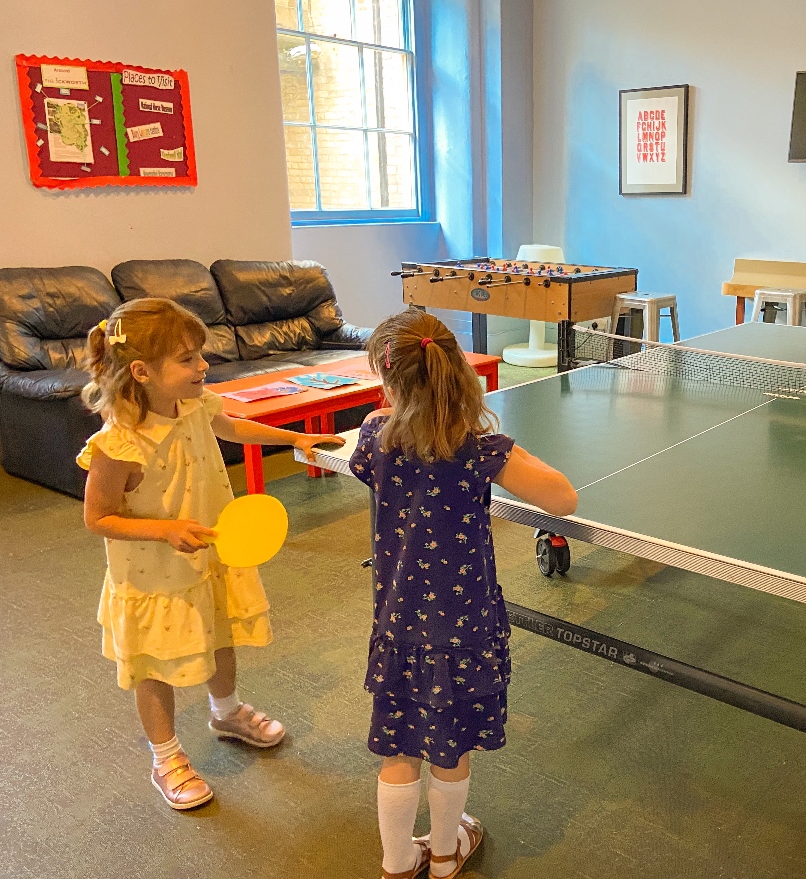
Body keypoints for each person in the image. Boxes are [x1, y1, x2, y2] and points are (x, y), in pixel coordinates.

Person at [78, 297, 343, 810]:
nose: (203, 366)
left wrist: (295, 437)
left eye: (200, 354)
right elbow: (98, 517)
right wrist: (166, 530)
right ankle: (166, 755)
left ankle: (226, 712)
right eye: (187, 358)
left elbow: (236, 427)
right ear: (142, 371)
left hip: (210, 555)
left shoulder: (197, 405)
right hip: (153, 576)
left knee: (220, 633)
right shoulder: (118, 444)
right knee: (154, 666)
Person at [348, 309, 577, 879]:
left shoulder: (375, 436)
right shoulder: (480, 448)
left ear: (386, 375)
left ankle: (398, 863)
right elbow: (563, 498)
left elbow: (370, 455)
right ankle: (448, 854)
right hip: (463, 624)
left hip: (398, 624)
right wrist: (496, 445)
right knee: (450, 749)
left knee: (398, 748)